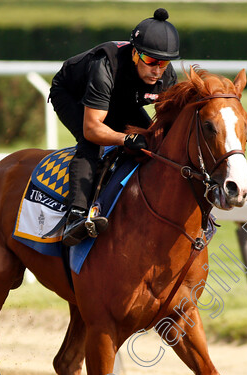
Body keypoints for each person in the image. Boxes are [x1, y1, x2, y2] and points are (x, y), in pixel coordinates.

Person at [49, 8, 180, 246]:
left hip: (121, 98)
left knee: (153, 140)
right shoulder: (105, 66)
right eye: (151, 61)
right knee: (92, 143)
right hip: (72, 94)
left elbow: (168, 126)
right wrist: (124, 139)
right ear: (135, 54)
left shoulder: (166, 76)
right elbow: (92, 129)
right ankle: (75, 217)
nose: (158, 70)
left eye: (164, 63)